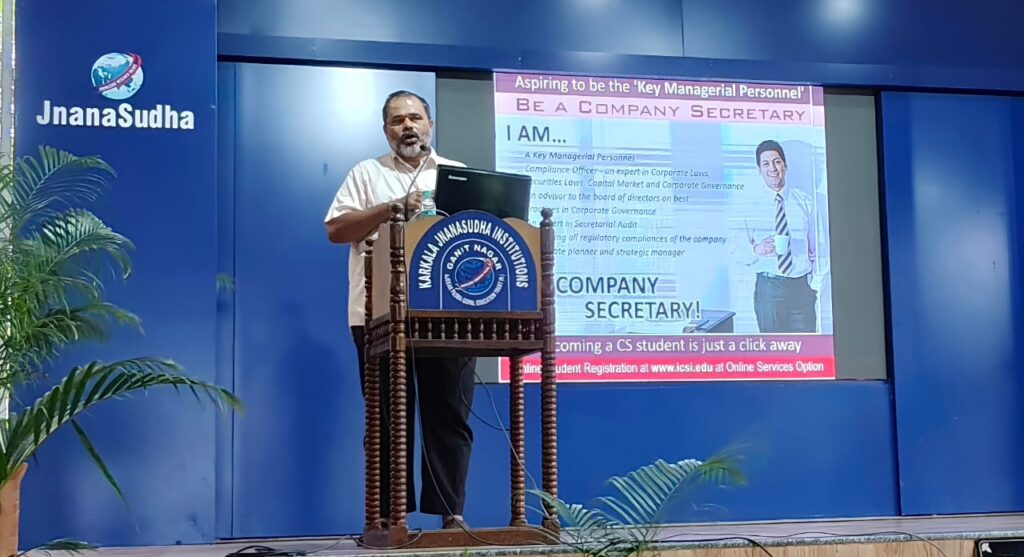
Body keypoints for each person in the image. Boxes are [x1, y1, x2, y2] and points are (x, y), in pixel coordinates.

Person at [324, 90, 476, 530]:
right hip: (377, 317)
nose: (407, 126)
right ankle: (390, 519)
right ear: (386, 130)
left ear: (430, 125)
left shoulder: (457, 174)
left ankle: (451, 516)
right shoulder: (366, 173)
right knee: (387, 421)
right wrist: (392, 208)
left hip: (448, 315)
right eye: (397, 121)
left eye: (414, 118)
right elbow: (336, 229)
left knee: (449, 415)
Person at [735, 139, 822, 333]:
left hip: (801, 287)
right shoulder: (749, 205)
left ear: (785, 165)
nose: (772, 168)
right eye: (766, 164)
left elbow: (818, 247)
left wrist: (815, 283)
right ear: (759, 170)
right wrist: (757, 249)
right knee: (773, 348)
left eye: (777, 162)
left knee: (806, 347)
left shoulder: (806, 202)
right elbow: (736, 249)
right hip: (769, 288)